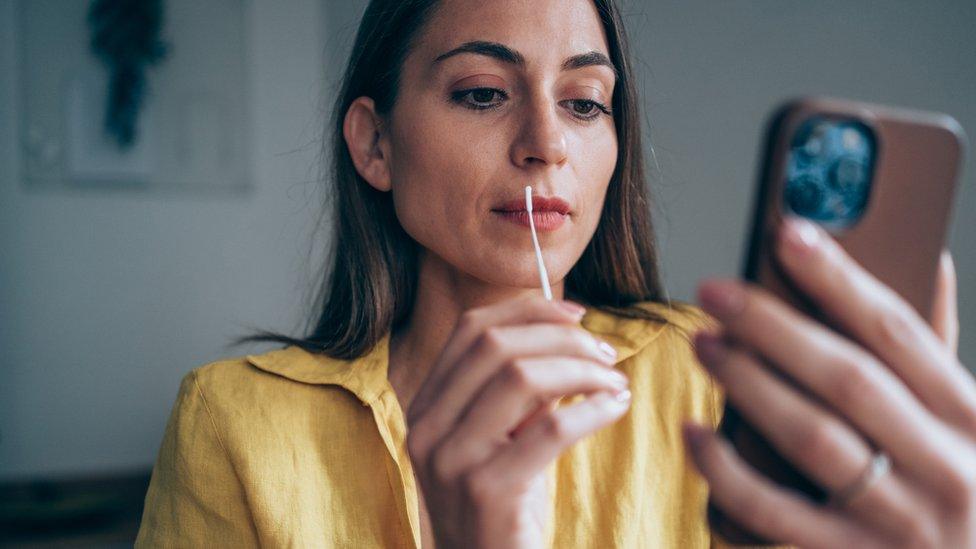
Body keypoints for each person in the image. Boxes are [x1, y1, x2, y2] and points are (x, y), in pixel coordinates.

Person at [135, 0, 976, 547]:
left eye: (584, 102)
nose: (548, 142)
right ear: (375, 144)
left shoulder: (716, 379)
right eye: (480, 92)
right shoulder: (235, 422)